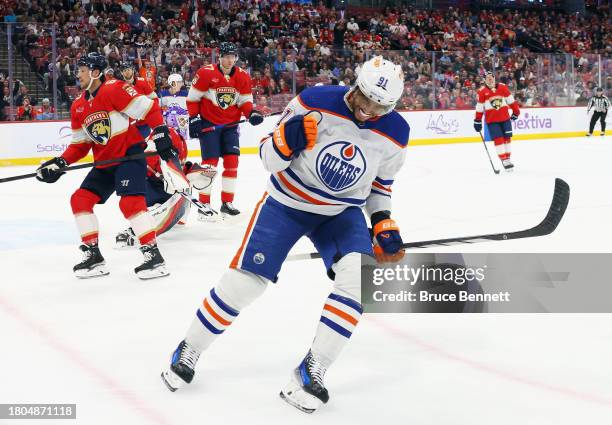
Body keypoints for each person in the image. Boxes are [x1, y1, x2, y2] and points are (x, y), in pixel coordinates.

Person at [161, 56, 409, 413]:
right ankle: (190, 347)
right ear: (354, 85)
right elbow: (266, 156)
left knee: (357, 281)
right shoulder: (315, 102)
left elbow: (379, 187)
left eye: (379, 105)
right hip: (286, 203)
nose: (368, 109)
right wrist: (285, 140)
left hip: (341, 214)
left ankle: (313, 369)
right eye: (364, 98)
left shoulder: (396, 132)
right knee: (246, 282)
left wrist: (383, 221)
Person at [34, 52, 178, 280]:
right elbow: (80, 146)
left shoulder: (114, 88)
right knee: (80, 199)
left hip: (129, 155)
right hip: (105, 161)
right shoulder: (79, 106)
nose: (77, 74)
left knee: (130, 203)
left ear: (95, 72)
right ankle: (93, 256)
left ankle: (154, 257)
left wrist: (160, 132)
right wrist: (60, 163)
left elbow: (149, 108)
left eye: (81, 70)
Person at [186, 42, 264, 220]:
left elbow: (244, 101)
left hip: (230, 126)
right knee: (210, 164)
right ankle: (204, 205)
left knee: (232, 162)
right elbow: (192, 99)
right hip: (209, 124)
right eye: (226, 56)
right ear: (219, 57)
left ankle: (227, 203)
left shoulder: (243, 76)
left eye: (232, 56)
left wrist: (251, 113)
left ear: (236, 58)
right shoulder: (206, 73)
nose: (229, 60)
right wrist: (194, 118)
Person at [115, 127, 191, 248]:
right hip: (151, 183)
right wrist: (161, 175)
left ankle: (145, 227)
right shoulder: (160, 138)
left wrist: (175, 178)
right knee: (134, 201)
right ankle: (137, 230)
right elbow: (148, 160)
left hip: (167, 188)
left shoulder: (177, 140)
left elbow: (179, 166)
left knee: (180, 194)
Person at [473, 71, 520, 172]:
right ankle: (504, 159)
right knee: (498, 139)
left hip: (505, 118)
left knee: (507, 138)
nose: (489, 79)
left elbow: (511, 101)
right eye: (487, 77)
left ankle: (508, 159)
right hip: (492, 121)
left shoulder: (503, 87)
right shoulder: (482, 92)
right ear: (485, 80)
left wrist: (516, 112)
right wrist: (477, 121)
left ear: (494, 78)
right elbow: (480, 108)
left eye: (491, 77)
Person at [160, 74, 189, 141]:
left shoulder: (186, 94)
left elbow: (188, 111)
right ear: (172, 83)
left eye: (181, 82)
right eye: (179, 82)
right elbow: (161, 110)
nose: (182, 84)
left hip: (183, 124)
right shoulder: (162, 94)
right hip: (167, 126)